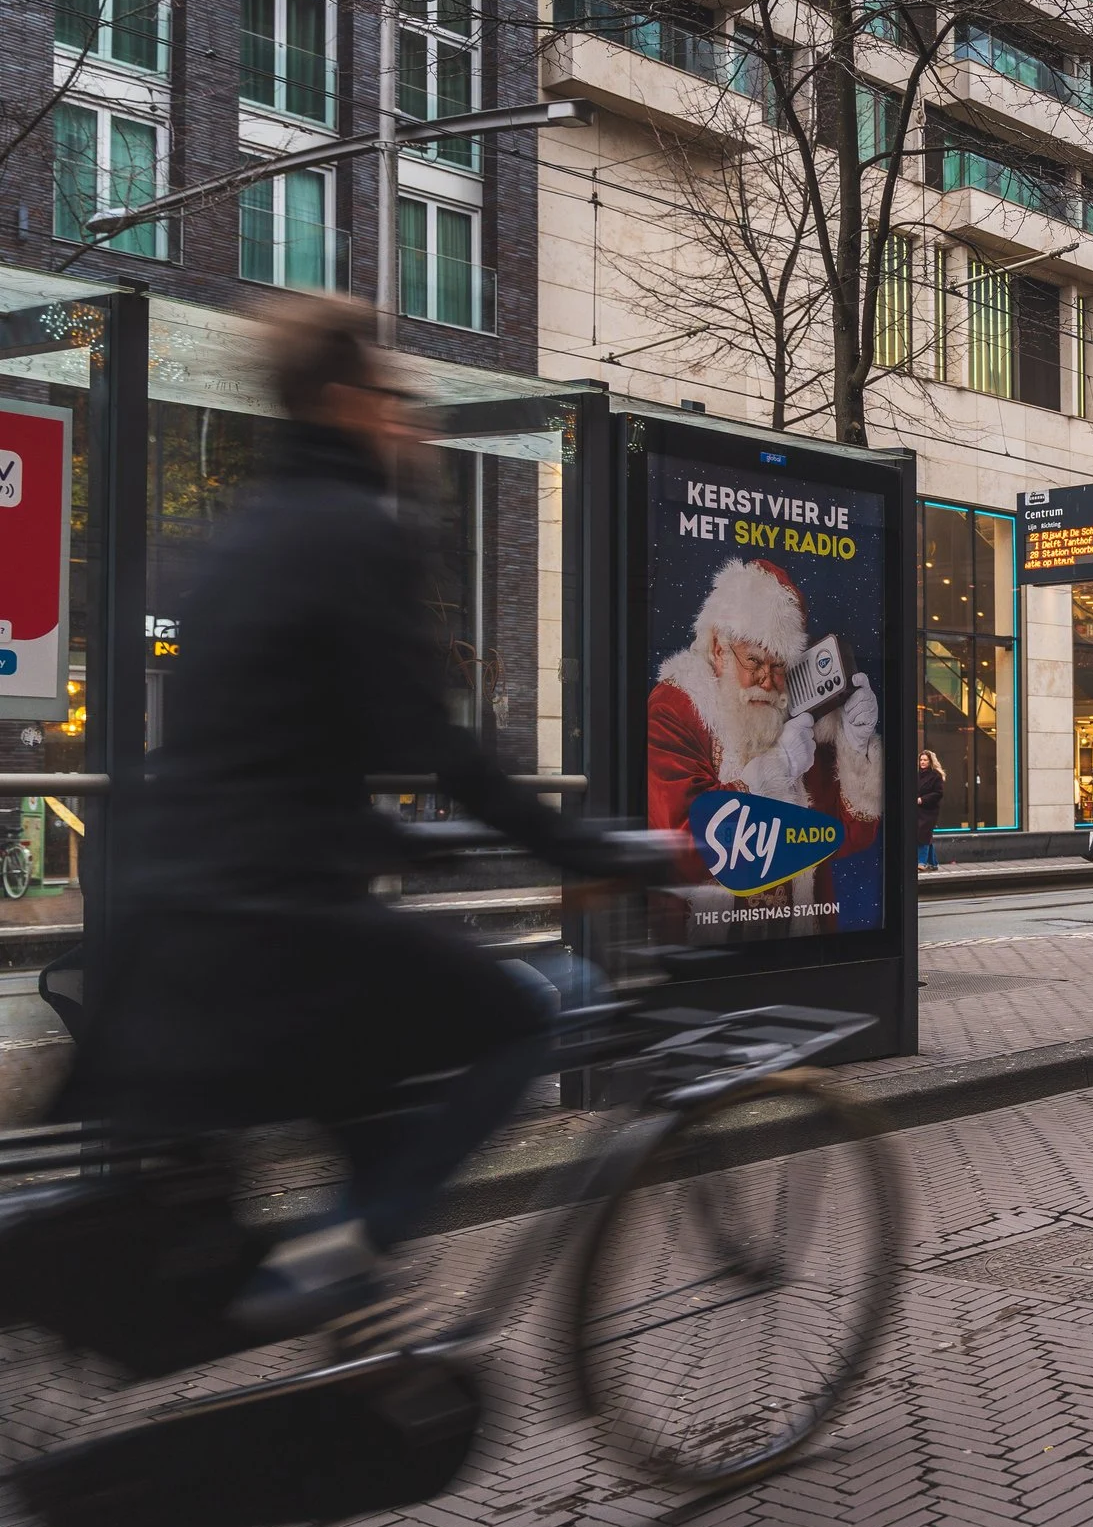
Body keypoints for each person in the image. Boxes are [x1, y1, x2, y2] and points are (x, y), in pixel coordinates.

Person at [57, 297, 663, 1348]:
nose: (412, 426)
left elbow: (281, 751)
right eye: (395, 402)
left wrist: (420, 843)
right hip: (281, 932)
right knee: (526, 1013)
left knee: (385, 1110)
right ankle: (333, 1267)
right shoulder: (355, 533)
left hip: (178, 928)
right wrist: (584, 846)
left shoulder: (238, 532)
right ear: (343, 403)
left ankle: (357, 1346)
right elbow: (442, 745)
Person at [647, 555, 882, 922]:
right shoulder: (676, 707)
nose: (768, 681)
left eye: (778, 667)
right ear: (718, 649)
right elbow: (681, 850)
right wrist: (776, 770)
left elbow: (848, 836)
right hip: (705, 952)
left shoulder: (791, 720)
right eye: (754, 662)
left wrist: (854, 744)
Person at [916, 750, 945, 871]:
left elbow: (938, 793)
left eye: (925, 760)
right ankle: (933, 863)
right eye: (921, 760)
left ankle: (921, 862)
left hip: (929, 810)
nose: (922, 762)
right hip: (918, 810)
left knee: (923, 834)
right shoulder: (916, 774)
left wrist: (923, 800)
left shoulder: (936, 775)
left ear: (930, 761)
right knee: (925, 835)